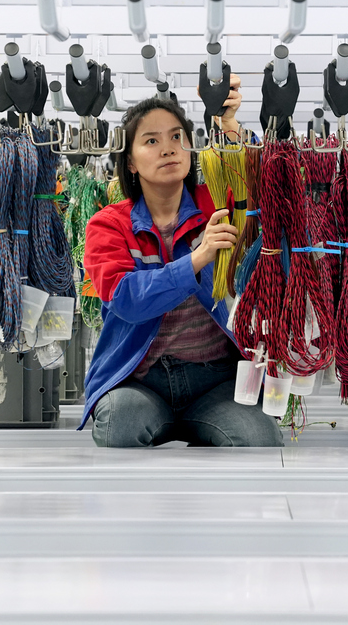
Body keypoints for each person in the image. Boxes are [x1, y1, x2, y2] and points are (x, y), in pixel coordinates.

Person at [80, 77, 284, 448]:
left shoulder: (216, 206)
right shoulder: (109, 225)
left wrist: (230, 127)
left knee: (259, 437)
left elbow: (254, 182)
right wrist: (197, 259)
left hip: (218, 379)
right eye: (152, 141)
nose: (168, 149)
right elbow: (126, 299)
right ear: (130, 163)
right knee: (120, 427)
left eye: (177, 137)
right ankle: (167, 426)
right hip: (141, 381)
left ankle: (202, 423)